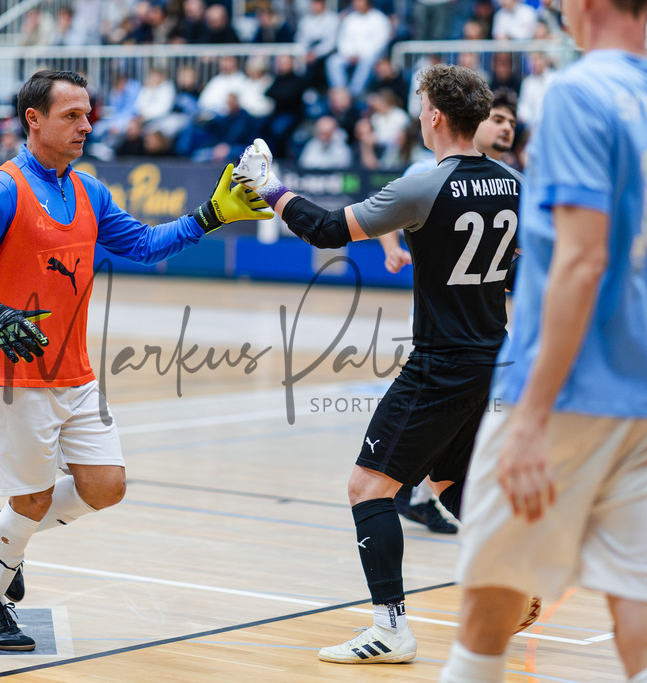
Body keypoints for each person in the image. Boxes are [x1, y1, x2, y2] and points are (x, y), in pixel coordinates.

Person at [0, 70, 271, 651]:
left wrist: (209, 217)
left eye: (88, 115)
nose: (86, 125)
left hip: (74, 367)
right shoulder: (1, 189)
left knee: (106, 486)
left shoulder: (89, 190)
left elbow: (140, 244)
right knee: (34, 499)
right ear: (33, 120)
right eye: (71, 115)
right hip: (16, 371)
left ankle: (2, 528)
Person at [438, 0, 647, 676]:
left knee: (485, 616)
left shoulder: (577, 92)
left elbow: (581, 261)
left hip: (564, 394)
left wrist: (531, 415)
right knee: (646, 629)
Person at [232, 63, 524, 664]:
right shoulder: (514, 182)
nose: (419, 115)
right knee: (448, 480)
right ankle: (514, 579)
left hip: (441, 361)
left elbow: (324, 229)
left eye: (422, 107)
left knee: (368, 486)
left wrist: (269, 187)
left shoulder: (425, 184)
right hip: (491, 353)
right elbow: (515, 268)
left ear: (436, 117)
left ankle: (390, 628)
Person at [380, 86, 520, 535]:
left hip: (477, 327)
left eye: (511, 122)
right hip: (446, 322)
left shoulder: (509, 178)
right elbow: (382, 211)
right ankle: (417, 492)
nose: (504, 126)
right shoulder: (427, 171)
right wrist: (392, 249)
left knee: (461, 431)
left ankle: (417, 490)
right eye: (498, 118)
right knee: (454, 428)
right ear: (474, 121)